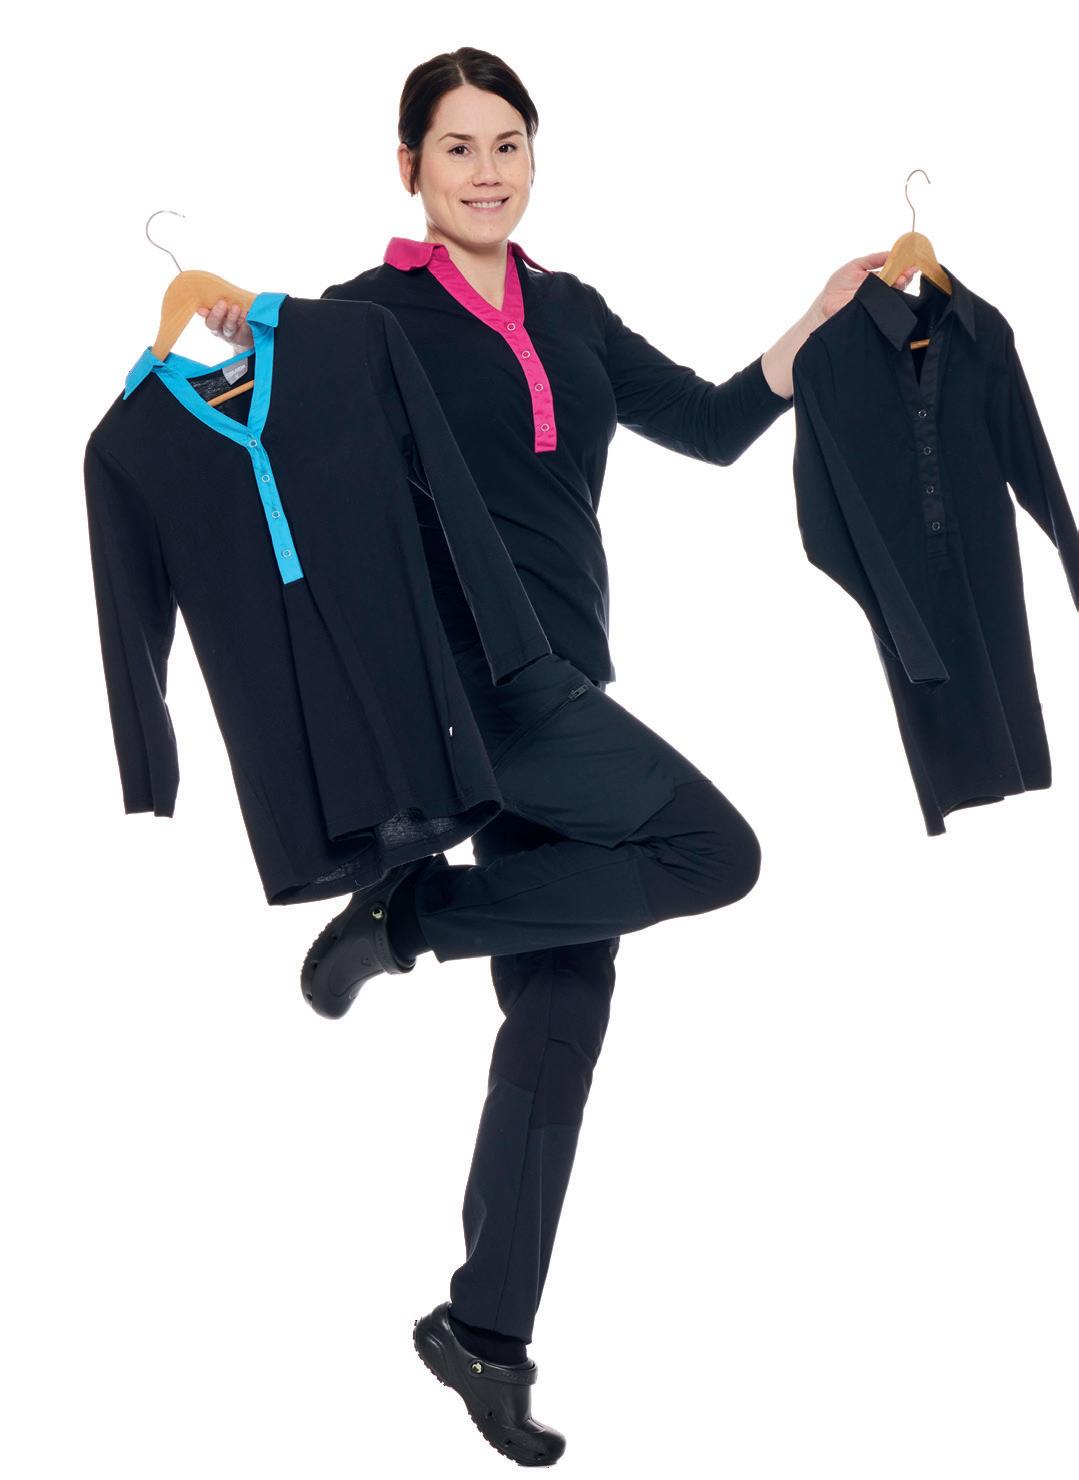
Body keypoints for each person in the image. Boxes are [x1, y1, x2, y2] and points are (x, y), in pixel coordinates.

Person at [200, 46, 917, 1468]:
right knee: (712, 851)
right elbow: (274, 435)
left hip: (565, 677)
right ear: (408, 166)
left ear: (535, 157)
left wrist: (820, 320)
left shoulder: (572, 309)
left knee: (561, 1015)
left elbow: (709, 423)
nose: (487, 172)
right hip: (474, 687)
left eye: (508, 144)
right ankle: (412, 919)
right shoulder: (366, 318)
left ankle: (484, 1333)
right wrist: (242, 337)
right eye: (457, 147)